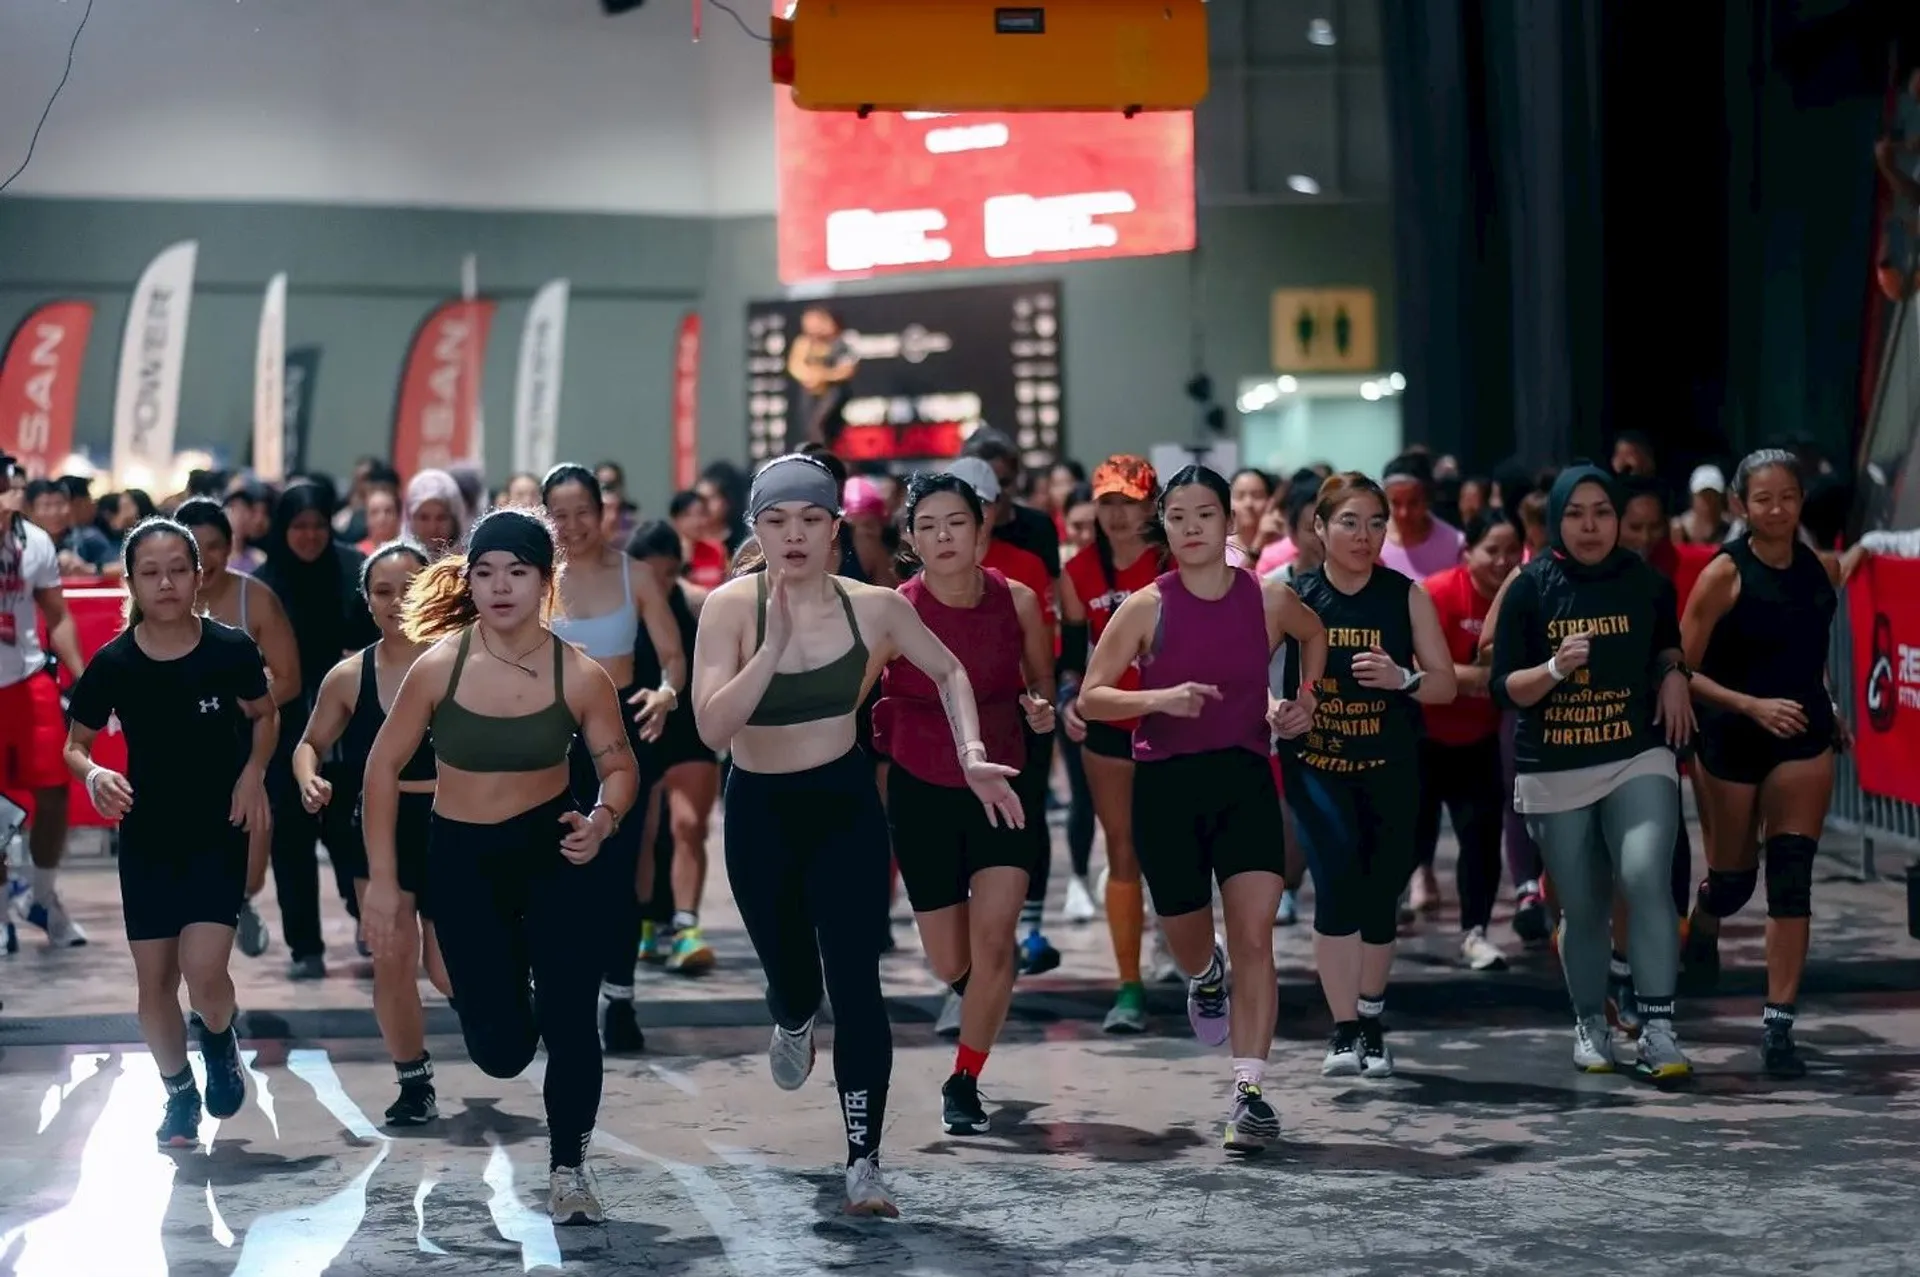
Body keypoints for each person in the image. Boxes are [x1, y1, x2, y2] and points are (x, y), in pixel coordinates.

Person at [690, 453, 1021, 1218]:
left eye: (811, 519)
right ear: (757, 531)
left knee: (857, 985)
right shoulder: (731, 609)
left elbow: (950, 672)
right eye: (777, 522)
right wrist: (770, 649)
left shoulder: (873, 607)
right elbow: (711, 724)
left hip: (842, 805)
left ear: (836, 526)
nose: (795, 535)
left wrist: (971, 754)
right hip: (759, 809)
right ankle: (792, 1012)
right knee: (795, 977)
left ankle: (864, 1161)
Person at [361, 506, 640, 1224]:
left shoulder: (578, 674)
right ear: (470, 580)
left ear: (545, 582)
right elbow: (381, 769)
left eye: (517, 571)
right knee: (503, 1051)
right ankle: (507, 996)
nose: (499, 585)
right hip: (461, 859)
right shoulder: (438, 666)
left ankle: (569, 1167)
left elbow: (619, 766)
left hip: (553, 851)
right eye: (484, 571)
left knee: (572, 1019)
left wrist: (603, 820)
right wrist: (386, 883)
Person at [1081, 465, 1327, 1153]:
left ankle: (1248, 1091)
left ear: (1230, 523)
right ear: (1165, 525)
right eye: (1179, 515)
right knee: (1193, 939)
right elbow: (1092, 698)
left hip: (1246, 779)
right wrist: (1155, 698)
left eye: (1205, 514)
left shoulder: (1269, 599)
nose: (1192, 527)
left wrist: (1304, 697)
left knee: (1256, 938)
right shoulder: (1145, 606)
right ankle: (1203, 974)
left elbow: (1315, 633)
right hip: (1165, 787)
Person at [63, 517, 276, 1147]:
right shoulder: (115, 662)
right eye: (151, 573)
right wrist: (96, 772)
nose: (165, 583)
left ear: (197, 576)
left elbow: (265, 715)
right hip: (147, 834)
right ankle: (178, 1092)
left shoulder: (230, 649)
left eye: (177, 570)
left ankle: (218, 1036)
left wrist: (253, 773)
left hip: (218, 827)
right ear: (130, 581)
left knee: (204, 969)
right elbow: (76, 746)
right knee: (154, 981)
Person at [1490, 466, 1696, 1082]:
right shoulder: (1529, 588)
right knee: (1581, 907)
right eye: (1576, 512)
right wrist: (1554, 667)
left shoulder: (1648, 583)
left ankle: (1658, 1028)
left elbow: (1667, 646)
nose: (1590, 525)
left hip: (1638, 752)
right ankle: (1590, 1021)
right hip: (1555, 763)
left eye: (1602, 512)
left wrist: (1676, 673)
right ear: (1556, 518)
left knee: (1643, 876)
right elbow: (1505, 689)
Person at [876, 471, 1056, 1130]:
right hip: (922, 788)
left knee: (997, 943)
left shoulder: (1020, 600)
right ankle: (982, 991)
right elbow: (858, 692)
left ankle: (964, 1078)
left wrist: (1041, 708)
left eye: (956, 522)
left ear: (982, 529)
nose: (943, 536)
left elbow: (1040, 680)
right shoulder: (895, 607)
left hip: (1001, 785)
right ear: (911, 538)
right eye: (927, 525)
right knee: (952, 960)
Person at [1279, 473, 1457, 1079]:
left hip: (1391, 768)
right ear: (1319, 529)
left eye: (1375, 523)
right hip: (1319, 769)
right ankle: (1342, 1028)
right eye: (1349, 522)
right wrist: (1278, 711)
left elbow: (1446, 684)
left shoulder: (1407, 596)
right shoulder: (1294, 597)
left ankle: (1373, 1021)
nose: (1363, 536)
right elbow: (1259, 679)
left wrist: (1403, 679)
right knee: (1335, 885)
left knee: (1381, 894)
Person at [1679, 450, 1842, 1079]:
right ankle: (1707, 916)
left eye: (1789, 497)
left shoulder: (1822, 570)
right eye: (1764, 499)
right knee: (1735, 880)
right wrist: (1750, 705)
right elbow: (1680, 669)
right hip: (1730, 732)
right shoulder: (1723, 574)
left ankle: (1778, 1025)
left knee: (1792, 875)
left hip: (1801, 733)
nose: (1777, 510)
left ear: (1802, 502)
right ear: (1741, 507)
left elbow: (1808, 651)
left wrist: (1826, 701)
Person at [292, 542, 451, 1125]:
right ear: (366, 600)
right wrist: (310, 780)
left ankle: (504, 996)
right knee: (391, 956)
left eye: (410, 587)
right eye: (383, 591)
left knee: (445, 967)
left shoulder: (461, 662)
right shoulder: (348, 676)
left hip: (452, 822)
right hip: (378, 825)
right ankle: (414, 1082)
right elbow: (308, 744)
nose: (397, 601)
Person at [543, 463, 688, 1051]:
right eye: (561, 513)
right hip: (548, 735)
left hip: (620, 733)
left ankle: (620, 999)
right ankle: (555, 995)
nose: (574, 524)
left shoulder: (637, 576)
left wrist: (667, 692)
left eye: (584, 510)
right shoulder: (534, 577)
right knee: (553, 868)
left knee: (618, 867)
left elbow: (674, 657)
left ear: (605, 511)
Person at [1058, 455, 1167, 1033]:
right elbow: (1072, 661)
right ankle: (1130, 985)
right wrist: (1068, 699)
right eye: (1108, 504)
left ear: (1151, 504)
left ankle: (1189, 955)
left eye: (1129, 502)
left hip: (1174, 719)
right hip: (1110, 728)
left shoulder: (1173, 560)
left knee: (1179, 848)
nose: (1118, 515)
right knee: (1121, 849)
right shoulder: (1078, 572)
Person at [254, 482, 378, 979]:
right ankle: (305, 945)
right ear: (283, 530)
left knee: (353, 832)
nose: (309, 536)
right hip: (286, 731)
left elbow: (382, 633)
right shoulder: (267, 585)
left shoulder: (354, 573)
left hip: (350, 727)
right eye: (298, 527)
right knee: (292, 843)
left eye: (318, 526)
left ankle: (367, 919)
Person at [947, 455, 1064, 975]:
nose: (969, 518)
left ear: (997, 509)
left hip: (1013, 723)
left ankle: (1018, 932)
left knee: (1022, 823)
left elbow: (1043, 661)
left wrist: (1041, 702)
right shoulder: (913, 578)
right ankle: (966, 959)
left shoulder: (1026, 569)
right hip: (945, 730)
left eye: (980, 506)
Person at [177, 499, 303, 959]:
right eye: (194, 546)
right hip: (180, 752)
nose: (204, 558)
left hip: (246, 746)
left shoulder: (256, 598)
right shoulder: (161, 601)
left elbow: (289, 678)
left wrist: (241, 702)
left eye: (214, 546)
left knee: (249, 869)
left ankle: (243, 900)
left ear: (231, 547)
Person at [1415, 512, 1524, 971]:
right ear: (1468, 552)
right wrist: (1483, 679)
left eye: (1510, 550)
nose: (1501, 561)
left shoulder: (1525, 594)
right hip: (1422, 738)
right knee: (1407, 843)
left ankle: (1475, 932)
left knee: (1480, 839)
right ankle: (1366, 932)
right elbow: (1418, 667)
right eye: (1490, 550)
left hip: (1481, 741)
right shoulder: (1437, 592)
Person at [625, 520, 720, 974]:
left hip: (687, 728)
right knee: (642, 831)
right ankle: (644, 920)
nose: (659, 583)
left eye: (668, 572)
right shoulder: (617, 608)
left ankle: (686, 926)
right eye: (650, 572)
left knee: (688, 825)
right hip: (639, 727)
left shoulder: (697, 605)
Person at [0, 463, 89, 946]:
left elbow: (58, 615)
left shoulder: (34, 541)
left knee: (55, 789)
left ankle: (41, 895)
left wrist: (82, 676)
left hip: (28, 675)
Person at [1263, 480, 1325, 927]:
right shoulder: (1272, 587)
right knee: (1287, 817)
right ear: (1292, 530)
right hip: (1281, 719)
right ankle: (1285, 886)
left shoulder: (1371, 583)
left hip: (1340, 718)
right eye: (1310, 527)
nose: (1319, 538)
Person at [1378, 454, 1466, 585]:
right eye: (1396, 503)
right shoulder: (1371, 540)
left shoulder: (1455, 545)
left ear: (1428, 499)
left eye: (1413, 503)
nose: (1404, 513)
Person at [786, 307, 858, 447]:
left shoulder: (839, 344)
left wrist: (823, 375)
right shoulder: (803, 343)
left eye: (815, 321)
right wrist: (810, 376)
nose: (811, 326)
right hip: (810, 394)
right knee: (809, 428)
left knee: (822, 425)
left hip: (833, 393)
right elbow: (795, 366)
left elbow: (847, 370)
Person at [405, 469, 469, 559]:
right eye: (424, 518)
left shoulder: (472, 566)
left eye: (441, 518)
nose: (432, 528)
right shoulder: (397, 566)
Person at [1226, 468, 1276, 567]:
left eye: (1257, 496)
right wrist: (1259, 542)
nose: (1248, 503)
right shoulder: (1220, 550)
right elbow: (1236, 582)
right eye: (1240, 496)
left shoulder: (1284, 545)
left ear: (1271, 501)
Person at [1674, 465, 1730, 546]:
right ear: (1692, 497)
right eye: (1703, 496)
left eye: (1712, 495)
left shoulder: (1732, 529)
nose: (1708, 502)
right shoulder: (1679, 529)